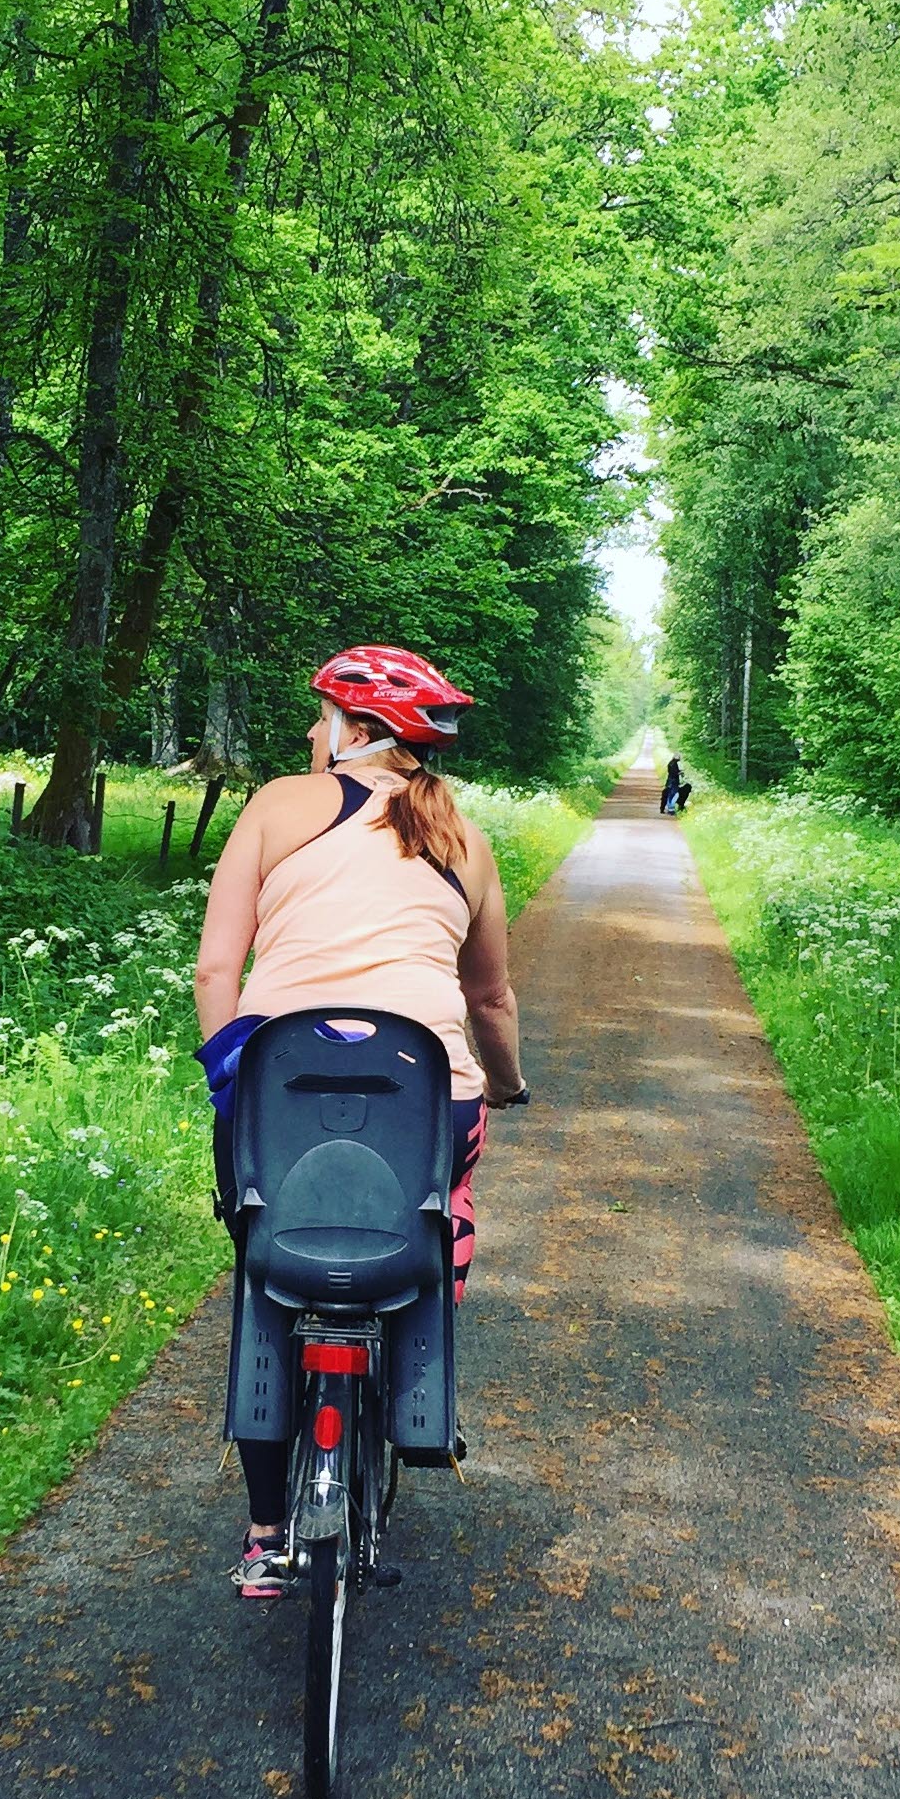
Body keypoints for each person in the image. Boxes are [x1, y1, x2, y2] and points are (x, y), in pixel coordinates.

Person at [193, 645, 528, 1599]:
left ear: (356, 729)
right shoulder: (462, 832)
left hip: (280, 1088)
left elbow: (218, 972)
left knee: (265, 1258)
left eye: (320, 717)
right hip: (429, 1091)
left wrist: (231, 1085)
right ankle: (413, 1381)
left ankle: (265, 1535)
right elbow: (492, 998)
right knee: (427, 1217)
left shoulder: (274, 805)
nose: (310, 733)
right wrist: (503, 1085)